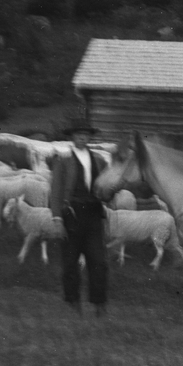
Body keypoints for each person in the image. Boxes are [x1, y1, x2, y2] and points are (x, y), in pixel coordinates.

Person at [50, 121, 109, 316]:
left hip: (93, 213)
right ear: (72, 137)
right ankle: (73, 302)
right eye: (78, 134)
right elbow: (56, 191)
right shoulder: (63, 160)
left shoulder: (99, 160)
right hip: (71, 214)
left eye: (85, 134)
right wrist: (57, 220)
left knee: (98, 260)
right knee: (70, 261)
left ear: (90, 137)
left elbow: (107, 185)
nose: (82, 138)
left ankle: (98, 303)